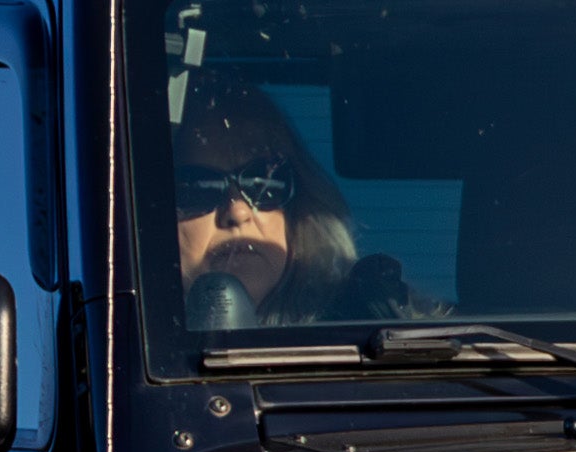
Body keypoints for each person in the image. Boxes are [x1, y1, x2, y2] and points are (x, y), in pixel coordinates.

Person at [172, 76, 434, 332]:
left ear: (298, 206)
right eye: (198, 187)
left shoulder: (379, 332)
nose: (238, 211)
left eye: (263, 181)